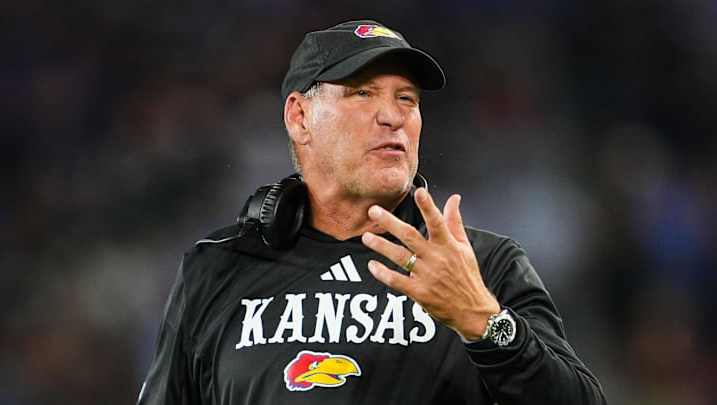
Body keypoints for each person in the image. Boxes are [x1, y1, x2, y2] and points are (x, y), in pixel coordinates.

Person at [137, 20, 606, 404]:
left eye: (407, 98)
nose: (393, 115)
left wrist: (484, 322)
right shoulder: (217, 269)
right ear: (300, 117)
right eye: (362, 93)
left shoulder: (482, 266)